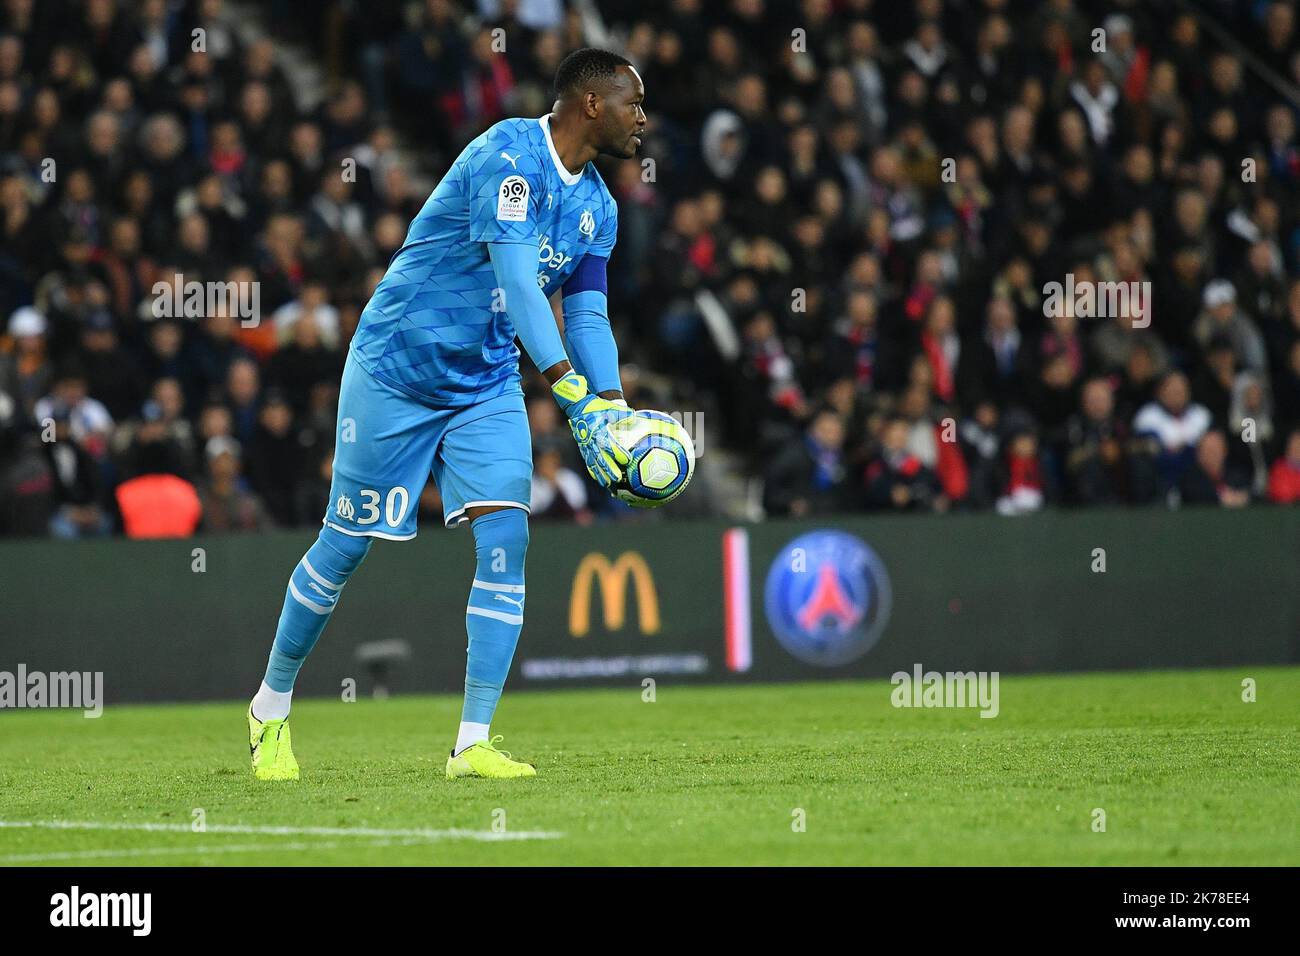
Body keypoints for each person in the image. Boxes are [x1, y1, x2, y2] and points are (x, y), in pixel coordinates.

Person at [245, 49, 647, 782]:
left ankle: (472, 742)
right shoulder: (508, 157)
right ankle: (269, 710)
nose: (643, 119)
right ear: (593, 103)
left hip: (484, 382)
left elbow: (587, 318)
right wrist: (569, 394)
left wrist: (613, 410)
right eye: (634, 103)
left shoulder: (600, 207)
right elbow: (521, 286)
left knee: (506, 536)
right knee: (344, 547)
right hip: (397, 366)